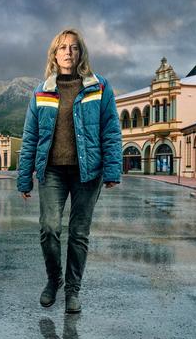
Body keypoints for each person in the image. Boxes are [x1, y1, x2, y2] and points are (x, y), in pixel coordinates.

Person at [17, 29, 121, 314]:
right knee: (49, 228)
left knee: (78, 233)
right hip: (52, 172)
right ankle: (54, 280)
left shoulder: (99, 87)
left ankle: (73, 290)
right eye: (62, 47)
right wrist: (24, 177)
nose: (68, 52)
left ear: (81, 53)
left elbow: (111, 129)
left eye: (74, 48)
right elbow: (30, 137)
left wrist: (112, 170)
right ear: (54, 54)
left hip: (88, 172)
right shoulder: (42, 91)